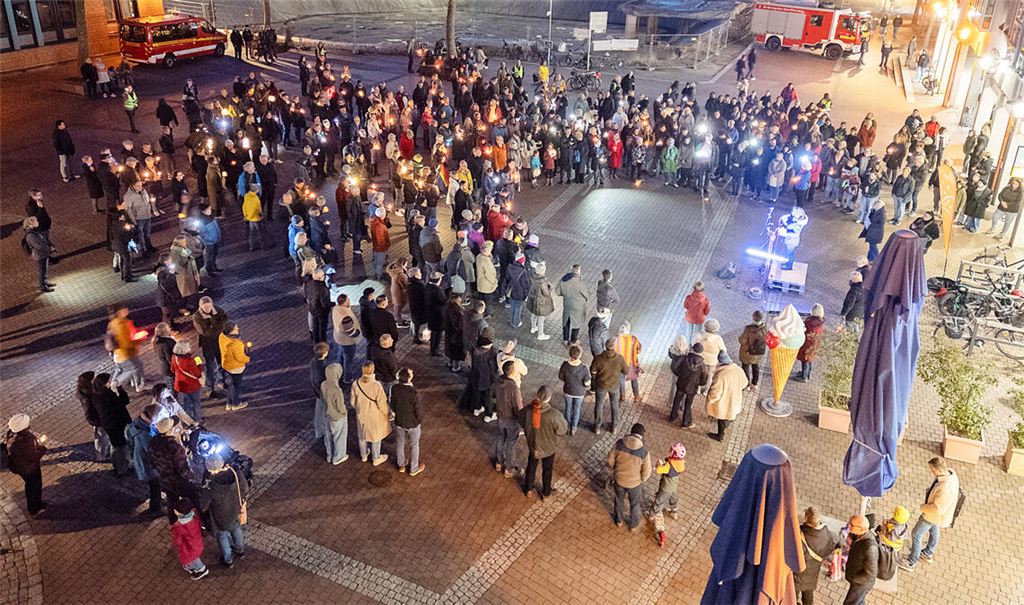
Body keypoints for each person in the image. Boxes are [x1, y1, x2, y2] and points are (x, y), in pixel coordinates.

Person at [898, 457, 961, 572]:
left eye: (933, 470)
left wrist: (923, 508)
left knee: (916, 534)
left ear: (939, 470)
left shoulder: (945, 488)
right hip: (939, 517)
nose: (932, 472)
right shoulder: (950, 475)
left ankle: (911, 562)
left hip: (933, 515)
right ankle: (928, 553)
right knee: (934, 530)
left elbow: (936, 509)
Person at [518, 386, 568, 500]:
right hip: (548, 447)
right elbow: (562, 430)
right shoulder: (554, 415)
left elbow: (521, 420)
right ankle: (546, 493)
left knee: (531, 466)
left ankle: (528, 489)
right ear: (549, 398)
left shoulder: (528, 410)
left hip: (533, 445)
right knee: (547, 469)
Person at [202, 454, 248, 568]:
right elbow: (245, 489)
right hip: (235, 510)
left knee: (222, 536)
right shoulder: (235, 473)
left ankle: (228, 559)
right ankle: (240, 550)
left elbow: (203, 505)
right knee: (236, 528)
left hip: (219, 516)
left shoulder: (211, 487)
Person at [608, 422, 652, 531]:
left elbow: (610, 461)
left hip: (619, 480)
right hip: (634, 484)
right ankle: (633, 525)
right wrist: (641, 480)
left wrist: (615, 470)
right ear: (641, 436)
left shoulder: (619, 444)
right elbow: (647, 472)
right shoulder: (644, 452)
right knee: (634, 504)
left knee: (619, 500)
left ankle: (618, 520)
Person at [3, 414, 47, 515]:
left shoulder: (12, 434)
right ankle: (35, 508)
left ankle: (36, 504)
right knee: (34, 485)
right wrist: (42, 449)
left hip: (21, 467)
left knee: (31, 485)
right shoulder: (24, 441)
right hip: (29, 469)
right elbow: (33, 457)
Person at [794, 507, 838, 605]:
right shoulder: (827, 534)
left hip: (798, 575)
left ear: (806, 518)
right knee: (808, 597)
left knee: (793, 597)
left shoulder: (799, 535)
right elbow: (834, 546)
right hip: (813, 574)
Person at [91, 372, 132, 476]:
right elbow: (124, 401)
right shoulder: (107, 396)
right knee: (120, 447)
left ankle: (118, 467)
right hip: (117, 424)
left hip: (109, 425)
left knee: (115, 446)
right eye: (109, 381)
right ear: (104, 384)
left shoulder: (96, 395)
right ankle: (121, 468)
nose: (111, 382)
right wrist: (120, 389)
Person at [125, 404, 163, 516]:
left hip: (142, 460)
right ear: (152, 417)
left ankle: (157, 502)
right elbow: (153, 451)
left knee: (155, 485)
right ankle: (155, 508)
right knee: (155, 486)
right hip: (148, 465)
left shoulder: (136, 424)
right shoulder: (145, 434)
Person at [648, 442, 686, 547]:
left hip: (666, 488)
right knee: (673, 498)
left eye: (672, 450)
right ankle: (674, 511)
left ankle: (652, 514)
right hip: (674, 486)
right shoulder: (681, 464)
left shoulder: (669, 465)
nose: (669, 450)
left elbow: (659, 470)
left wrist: (658, 463)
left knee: (659, 501)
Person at [352, 361, 390, 465]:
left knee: (362, 435)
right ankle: (376, 458)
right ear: (373, 370)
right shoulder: (376, 385)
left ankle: (363, 455)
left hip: (361, 415)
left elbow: (352, 402)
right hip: (374, 416)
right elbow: (382, 403)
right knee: (375, 437)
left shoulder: (356, 384)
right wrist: (387, 413)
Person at [706, 350, 748, 441]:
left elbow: (715, 393)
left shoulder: (721, 375)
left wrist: (710, 400)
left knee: (723, 417)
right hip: (735, 398)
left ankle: (720, 436)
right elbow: (745, 383)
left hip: (724, 402)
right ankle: (725, 427)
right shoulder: (738, 369)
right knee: (730, 414)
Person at [391, 367, 425, 475]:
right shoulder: (414, 393)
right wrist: (419, 420)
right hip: (413, 423)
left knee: (400, 443)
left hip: (400, 421)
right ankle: (414, 468)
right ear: (409, 378)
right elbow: (418, 410)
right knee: (414, 445)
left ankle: (401, 464)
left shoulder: (395, 388)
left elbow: (392, 404)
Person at [590, 338, 628, 435]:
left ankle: (597, 427)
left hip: (601, 385)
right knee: (614, 405)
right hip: (614, 386)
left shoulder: (598, 358)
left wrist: (595, 378)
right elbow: (626, 371)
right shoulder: (620, 359)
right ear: (614, 347)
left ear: (605, 346)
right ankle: (614, 427)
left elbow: (593, 371)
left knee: (599, 404)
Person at [193, 297, 228, 397]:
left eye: (209, 306)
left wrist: (213, 326)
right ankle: (210, 388)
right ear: (201, 307)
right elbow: (205, 332)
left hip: (219, 341)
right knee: (210, 366)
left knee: (222, 362)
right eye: (205, 307)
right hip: (207, 344)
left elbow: (224, 321)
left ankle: (222, 381)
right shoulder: (197, 317)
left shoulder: (218, 310)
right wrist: (216, 324)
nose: (208, 309)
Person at [670, 342, 708, 427]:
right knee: (688, 404)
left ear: (693, 349)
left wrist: (680, 375)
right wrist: (699, 384)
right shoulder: (703, 366)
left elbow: (675, 368)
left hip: (681, 383)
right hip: (693, 387)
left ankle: (673, 416)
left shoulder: (684, 359)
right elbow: (704, 379)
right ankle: (686, 422)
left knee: (677, 400)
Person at [171, 498, 209, 580]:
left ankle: (201, 569)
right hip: (196, 543)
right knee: (193, 557)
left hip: (188, 547)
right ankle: (192, 566)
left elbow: (178, 540)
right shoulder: (194, 514)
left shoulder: (178, 526)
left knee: (193, 559)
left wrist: (177, 544)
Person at [844, 514, 878, 605]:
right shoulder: (859, 535)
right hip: (858, 580)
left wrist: (855, 579)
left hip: (861, 584)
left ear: (861, 529)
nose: (849, 526)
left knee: (850, 603)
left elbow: (871, 573)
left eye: (851, 525)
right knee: (859, 601)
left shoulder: (870, 548)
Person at [322, 360, 351, 465]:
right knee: (339, 437)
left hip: (327, 415)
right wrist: (344, 413)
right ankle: (338, 457)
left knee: (328, 436)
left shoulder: (324, 384)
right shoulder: (336, 389)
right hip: (337, 417)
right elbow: (340, 406)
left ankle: (329, 455)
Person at [558, 344, 590, 435]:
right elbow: (587, 383)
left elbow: (560, 376)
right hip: (579, 393)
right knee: (577, 410)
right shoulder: (584, 368)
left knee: (568, 408)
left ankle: (567, 425)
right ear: (580, 355)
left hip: (568, 391)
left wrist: (567, 381)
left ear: (570, 354)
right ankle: (574, 428)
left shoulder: (565, 365)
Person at [219, 322, 251, 412]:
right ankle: (235, 404)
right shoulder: (236, 343)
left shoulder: (222, 336)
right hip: (236, 367)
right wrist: (248, 358)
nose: (238, 329)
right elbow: (240, 358)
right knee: (236, 386)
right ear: (231, 332)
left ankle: (229, 403)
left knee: (231, 384)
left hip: (227, 365)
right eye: (236, 328)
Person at [331, 294, 362, 382]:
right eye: (348, 300)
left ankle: (338, 373)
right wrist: (358, 333)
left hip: (339, 338)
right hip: (347, 341)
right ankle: (347, 377)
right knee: (348, 360)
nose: (349, 301)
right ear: (344, 302)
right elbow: (351, 332)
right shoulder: (346, 316)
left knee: (340, 356)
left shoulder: (336, 308)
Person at [170, 340, 204, 423]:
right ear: (184, 349)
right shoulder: (189, 361)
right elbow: (198, 374)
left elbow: (172, 370)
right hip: (192, 385)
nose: (190, 348)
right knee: (196, 402)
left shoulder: (175, 357)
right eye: (189, 346)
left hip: (181, 385)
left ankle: (187, 420)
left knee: (186, 402)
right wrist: (199, 364)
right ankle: (198, 419)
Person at [555, 264, 589, 345]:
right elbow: (586, 295)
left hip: (567, 304)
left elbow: (557, 292)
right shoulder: (581, 282)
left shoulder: (563, 280)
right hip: (578, 307)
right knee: (576, 323)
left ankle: (565, 339)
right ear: (578, 271)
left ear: (571, 270)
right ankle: (573, 340)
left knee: (566, 321)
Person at [23, 217, 55, 293]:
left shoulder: (35, 231)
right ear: (31, 224)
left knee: (44, 269)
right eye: (36, 221)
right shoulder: (30, 235)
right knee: (42, 270)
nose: (37, 222)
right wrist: (49, 249)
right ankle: (43, 286)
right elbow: (38, 246)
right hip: (40, 255)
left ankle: (45, 282)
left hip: (43, 253)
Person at [795, 304, 826, 381]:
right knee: (809, 359)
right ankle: (807, 374)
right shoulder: (820, 321)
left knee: (805, 359)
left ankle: (804, 377)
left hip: (807, 343)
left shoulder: (811, 322)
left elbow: (804, 329)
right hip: (814, 343)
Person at [738, 311, 767, 392]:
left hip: (748, 352)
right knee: (755, 366)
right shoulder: (765, 328)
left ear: (753, 317)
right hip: (758, 353)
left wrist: (739, 338)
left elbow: (742, 340)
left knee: (745, 367)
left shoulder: (749, 329)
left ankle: (746, 384)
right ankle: (754, 384)